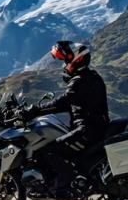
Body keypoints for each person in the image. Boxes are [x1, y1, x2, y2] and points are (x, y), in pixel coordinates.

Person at [25, 41, 110, 190]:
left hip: (87, 131)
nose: (64, 64)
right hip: (96, 128)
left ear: (76, 60)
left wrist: (35, 110)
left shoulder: (79, 81)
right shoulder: (93, 76)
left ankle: (63, 184)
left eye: (65, 60)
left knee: (49, 149)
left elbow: (61, 103)